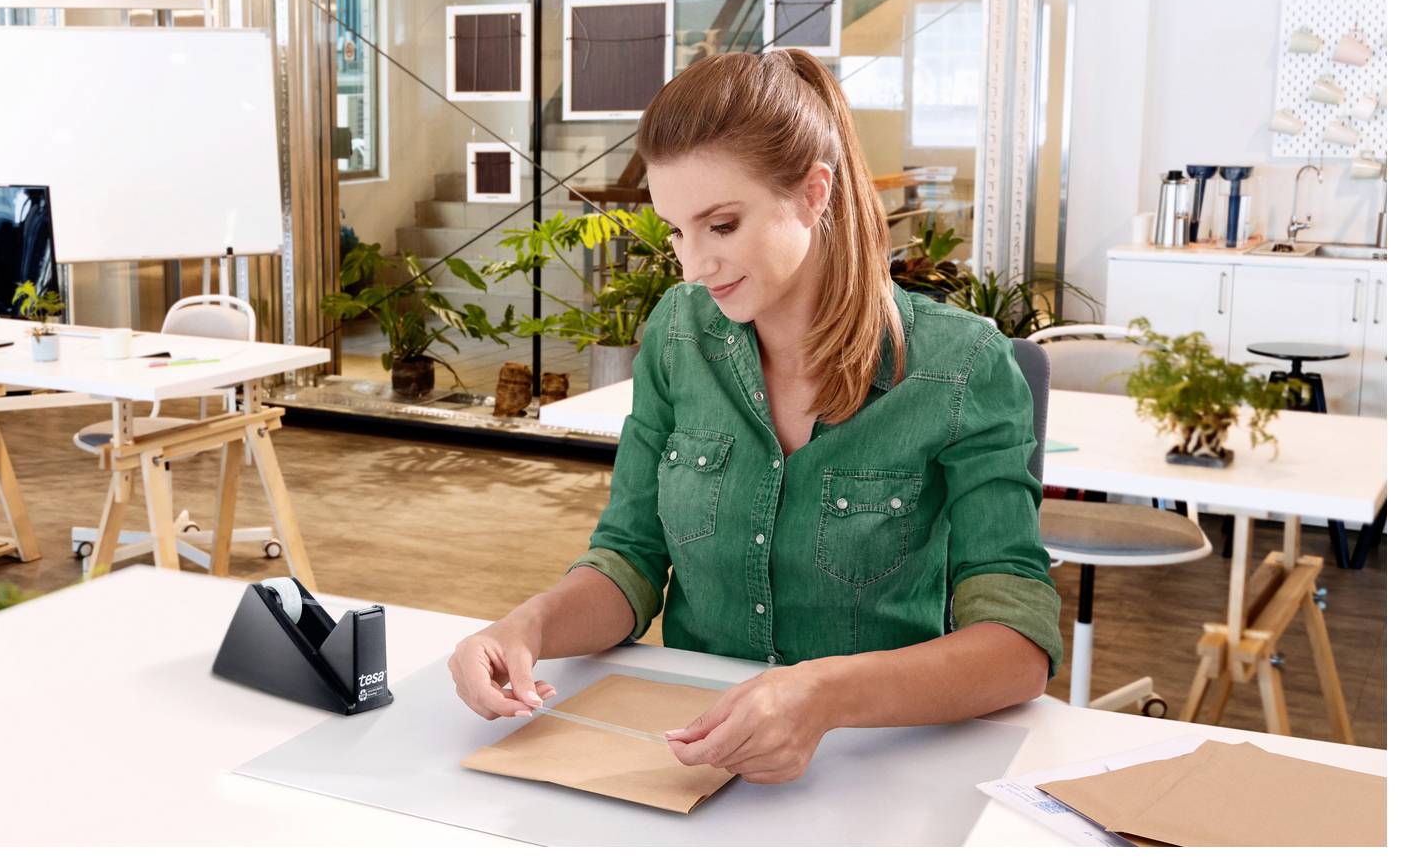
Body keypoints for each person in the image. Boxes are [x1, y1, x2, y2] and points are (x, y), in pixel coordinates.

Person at [448, 49, 1062, 785]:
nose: (692, 265)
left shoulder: (963, 365)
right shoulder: (679, 335)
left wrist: (820, 695)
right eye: (676, 231)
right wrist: (525, 629)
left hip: (874, 763)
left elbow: (1018, 644)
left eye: (722, 225)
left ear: (812, 192)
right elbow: (629, 560)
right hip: (684, 754)